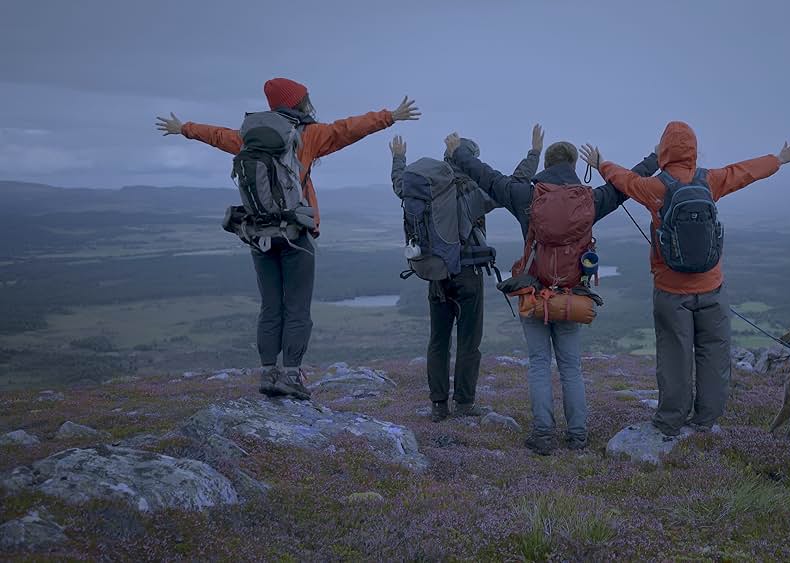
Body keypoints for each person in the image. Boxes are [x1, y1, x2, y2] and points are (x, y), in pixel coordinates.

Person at [155, 77, 420, 400]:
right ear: (298, 102)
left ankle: (269, 373)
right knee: (296, 306)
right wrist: (389, 116)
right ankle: (292, 376)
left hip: (259, 234)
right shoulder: (307, 135)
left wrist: (185, 127)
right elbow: (348, 129)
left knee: (270, 306)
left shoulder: (248, 137)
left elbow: (217, 136)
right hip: (296, 234)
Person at [580, 122, 790, 439]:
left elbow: (624, 180)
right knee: (714, 354)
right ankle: (705, 420)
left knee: (675, 357)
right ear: (693, 151)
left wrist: (600, 163)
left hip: (670, 291)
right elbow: (743, 172)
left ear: (665, 150)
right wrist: (779, 159)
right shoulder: (709, 181)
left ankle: (670, 421)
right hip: (712, 288)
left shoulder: (654, 187)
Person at [446, 129, 658, 454]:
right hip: (572, 298)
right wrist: (656, 157)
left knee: (539, 363)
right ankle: (577, 436)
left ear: (546, 164)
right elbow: (628, 183)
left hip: (534, 295)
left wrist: (458, 151)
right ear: (574, 165)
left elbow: (485, 176)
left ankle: (543, 435)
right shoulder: (591, 200)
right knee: (571, 366)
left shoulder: (524, 196)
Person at [389, 128, 542, 422]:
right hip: (467, 273)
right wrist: (534, 153)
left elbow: (398, 184)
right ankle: (463, 403)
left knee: (438, 340)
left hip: (435, 271)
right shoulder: (471, 189)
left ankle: (438, 405)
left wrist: (398, 158)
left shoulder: (426, 190)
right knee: (469, 341)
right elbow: (515, 184)